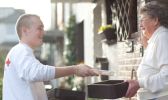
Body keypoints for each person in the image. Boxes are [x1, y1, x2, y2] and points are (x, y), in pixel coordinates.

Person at [3, 14, 100, 100]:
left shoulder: (19, 52)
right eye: (39, 28)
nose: (43, 32)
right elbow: (38, 72)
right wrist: (76, 69)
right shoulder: (20, 51)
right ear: (25, 31)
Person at [125, 1, 168, 100]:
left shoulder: (162, 37)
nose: (140, 25)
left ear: (155, 20)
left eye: (142, 20)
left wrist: (139, 83)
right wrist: (147, 46)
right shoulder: (157, 38)